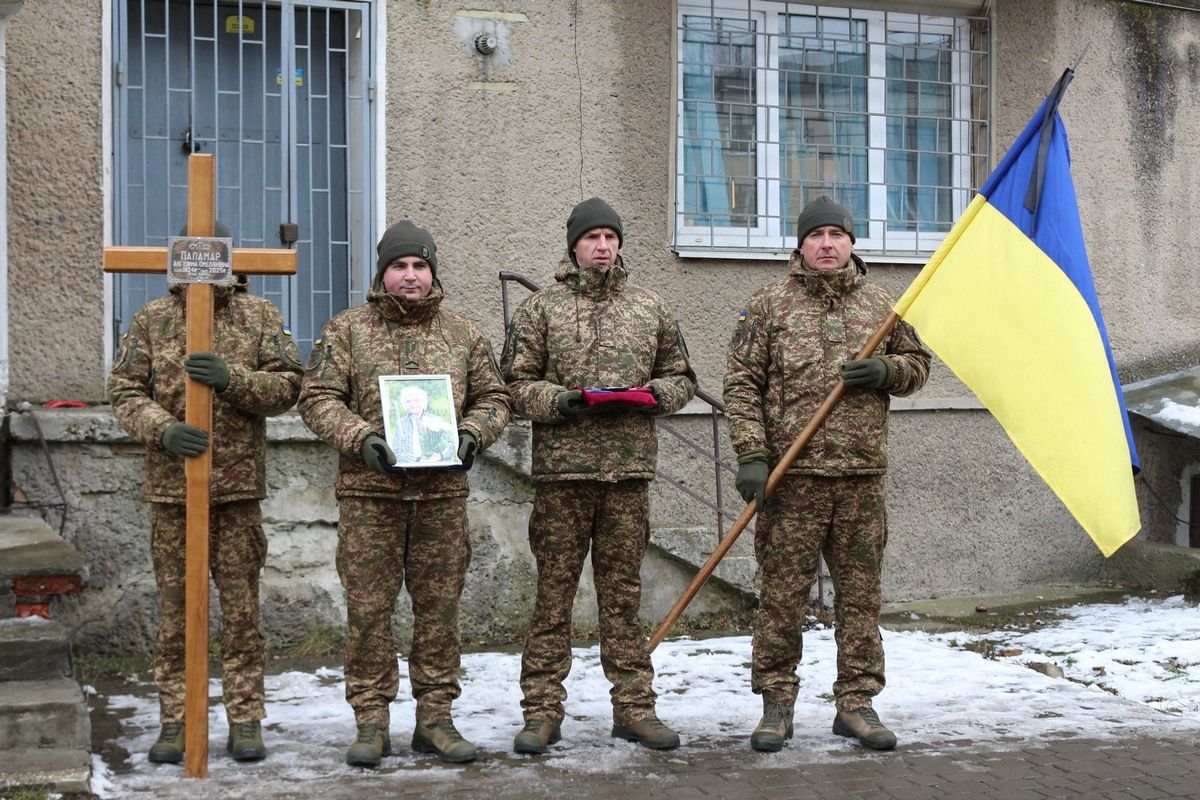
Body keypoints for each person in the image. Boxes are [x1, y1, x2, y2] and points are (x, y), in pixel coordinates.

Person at [298, 220, 510, 767]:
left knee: (439, 611)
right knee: (369, 611)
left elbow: (495, 397)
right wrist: (361, 439)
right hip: (371, 497)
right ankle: (371, 722)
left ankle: (435, 719)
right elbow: (317, 398)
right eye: (399, 266)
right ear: (382, 273)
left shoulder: (463, 334)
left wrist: (473, 433)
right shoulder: (347, 330)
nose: (410, 276)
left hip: (441, 498)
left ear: (432, 272)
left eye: (419, 265)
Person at [723, 195, 931, 753]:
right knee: (781, 596)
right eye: (816, 236)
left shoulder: (882, 306)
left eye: (836, 235)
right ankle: (776, 704)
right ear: (800, 245)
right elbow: (742, 385)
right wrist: (752, 455)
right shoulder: (768, 305)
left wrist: (887, 369)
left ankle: (857, 704)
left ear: (851, 243)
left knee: (860, 598)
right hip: (793, 481)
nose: (826, 244)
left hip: (861, 477)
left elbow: (919, 366)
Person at [501, 197, 697, 754]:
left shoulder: (650, 307)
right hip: (562, 478)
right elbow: (512, 385)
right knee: (553, 596)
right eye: (592, 238)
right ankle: (542, 711)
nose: (603, 246)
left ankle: (634, 708)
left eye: (611, 237)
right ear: (574, 246)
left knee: (623, 598)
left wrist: (654, 395)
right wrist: (559, 401)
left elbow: (682, 377)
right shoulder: (540, 309)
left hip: (626, 477)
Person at [108, 223, 304, 765]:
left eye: (211, 253)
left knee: (241, 614)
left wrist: (232, 379)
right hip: (173, 492)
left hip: (236, 491)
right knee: (177, 615)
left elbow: (289, 385)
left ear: (227, 258)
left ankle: (245, 718)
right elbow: (124, 389)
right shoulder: (153, 319)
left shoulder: (257, 316)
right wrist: (162, 429)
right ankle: (177, 719)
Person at [389, 385, 456, 464]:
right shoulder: (401, 423)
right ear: (404, 404)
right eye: (408, 401)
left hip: (436, 464)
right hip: (412, 465)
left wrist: (440, 455)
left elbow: (453, 443)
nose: (413, 405)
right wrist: (418, 460)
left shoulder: (435, 420)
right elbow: (397, 451)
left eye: (416, 400)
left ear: (423, 401)